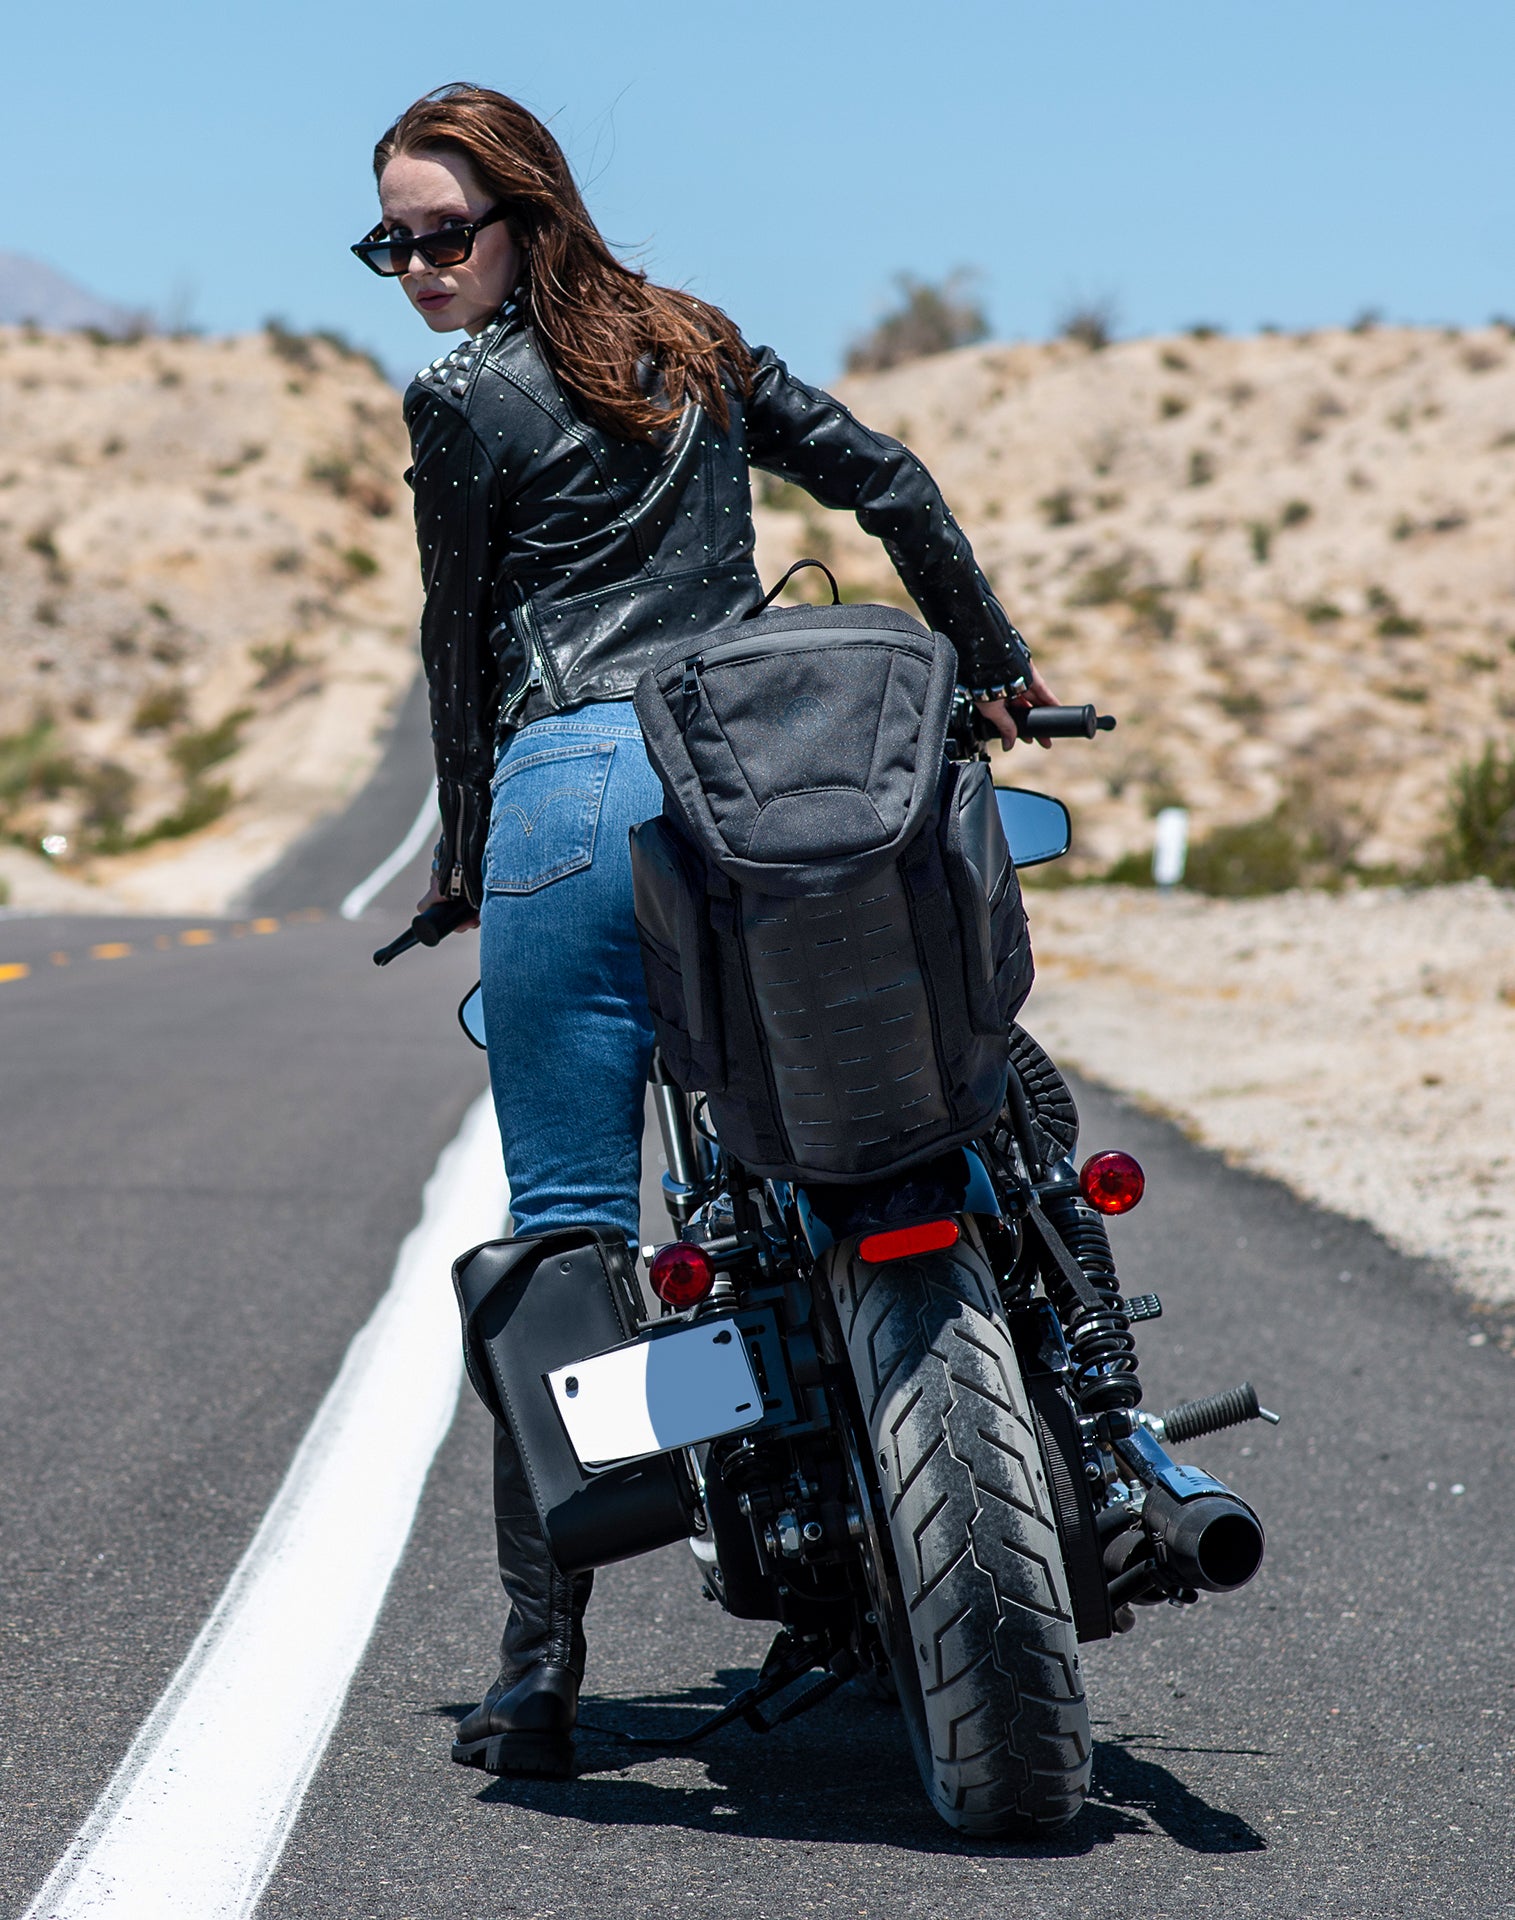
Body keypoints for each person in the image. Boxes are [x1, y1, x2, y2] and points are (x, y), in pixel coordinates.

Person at [355, 81, 1059, 1777]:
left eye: (443, 235)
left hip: (576, 797)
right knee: (892, 1122)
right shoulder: (700, 344)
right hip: (748, 775)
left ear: (526, 214)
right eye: (389, 245)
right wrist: (996, 663)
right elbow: (891, 482)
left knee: (571, 1233)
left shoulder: (459, 400)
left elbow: (463, 644)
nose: (419, 268)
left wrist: (466, 856)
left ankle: (538, 1674)